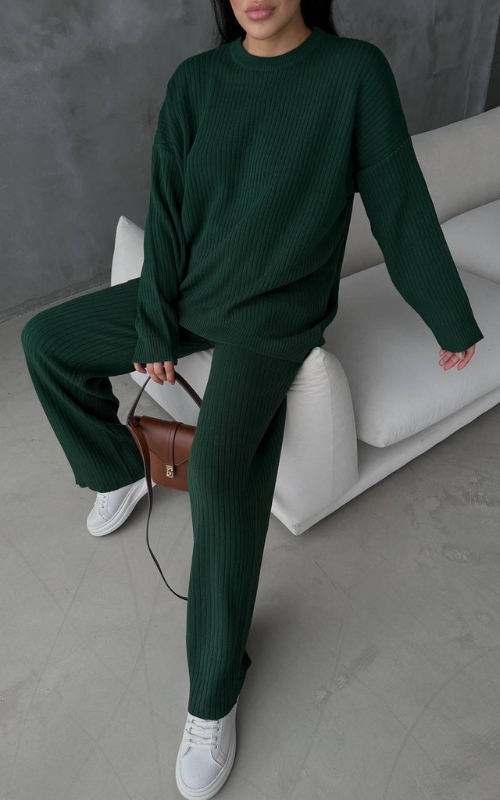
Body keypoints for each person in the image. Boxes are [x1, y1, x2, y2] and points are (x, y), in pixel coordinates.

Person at [21, 1, 484, 798]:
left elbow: (399, 203)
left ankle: (213, 693)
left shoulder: (352, 74)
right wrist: (155, 324)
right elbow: (168, 211)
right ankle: (116, 470)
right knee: (45, 342)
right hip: (194, 294)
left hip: (274, 319)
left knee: (220, 474)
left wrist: (449, 314)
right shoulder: (197, 80)